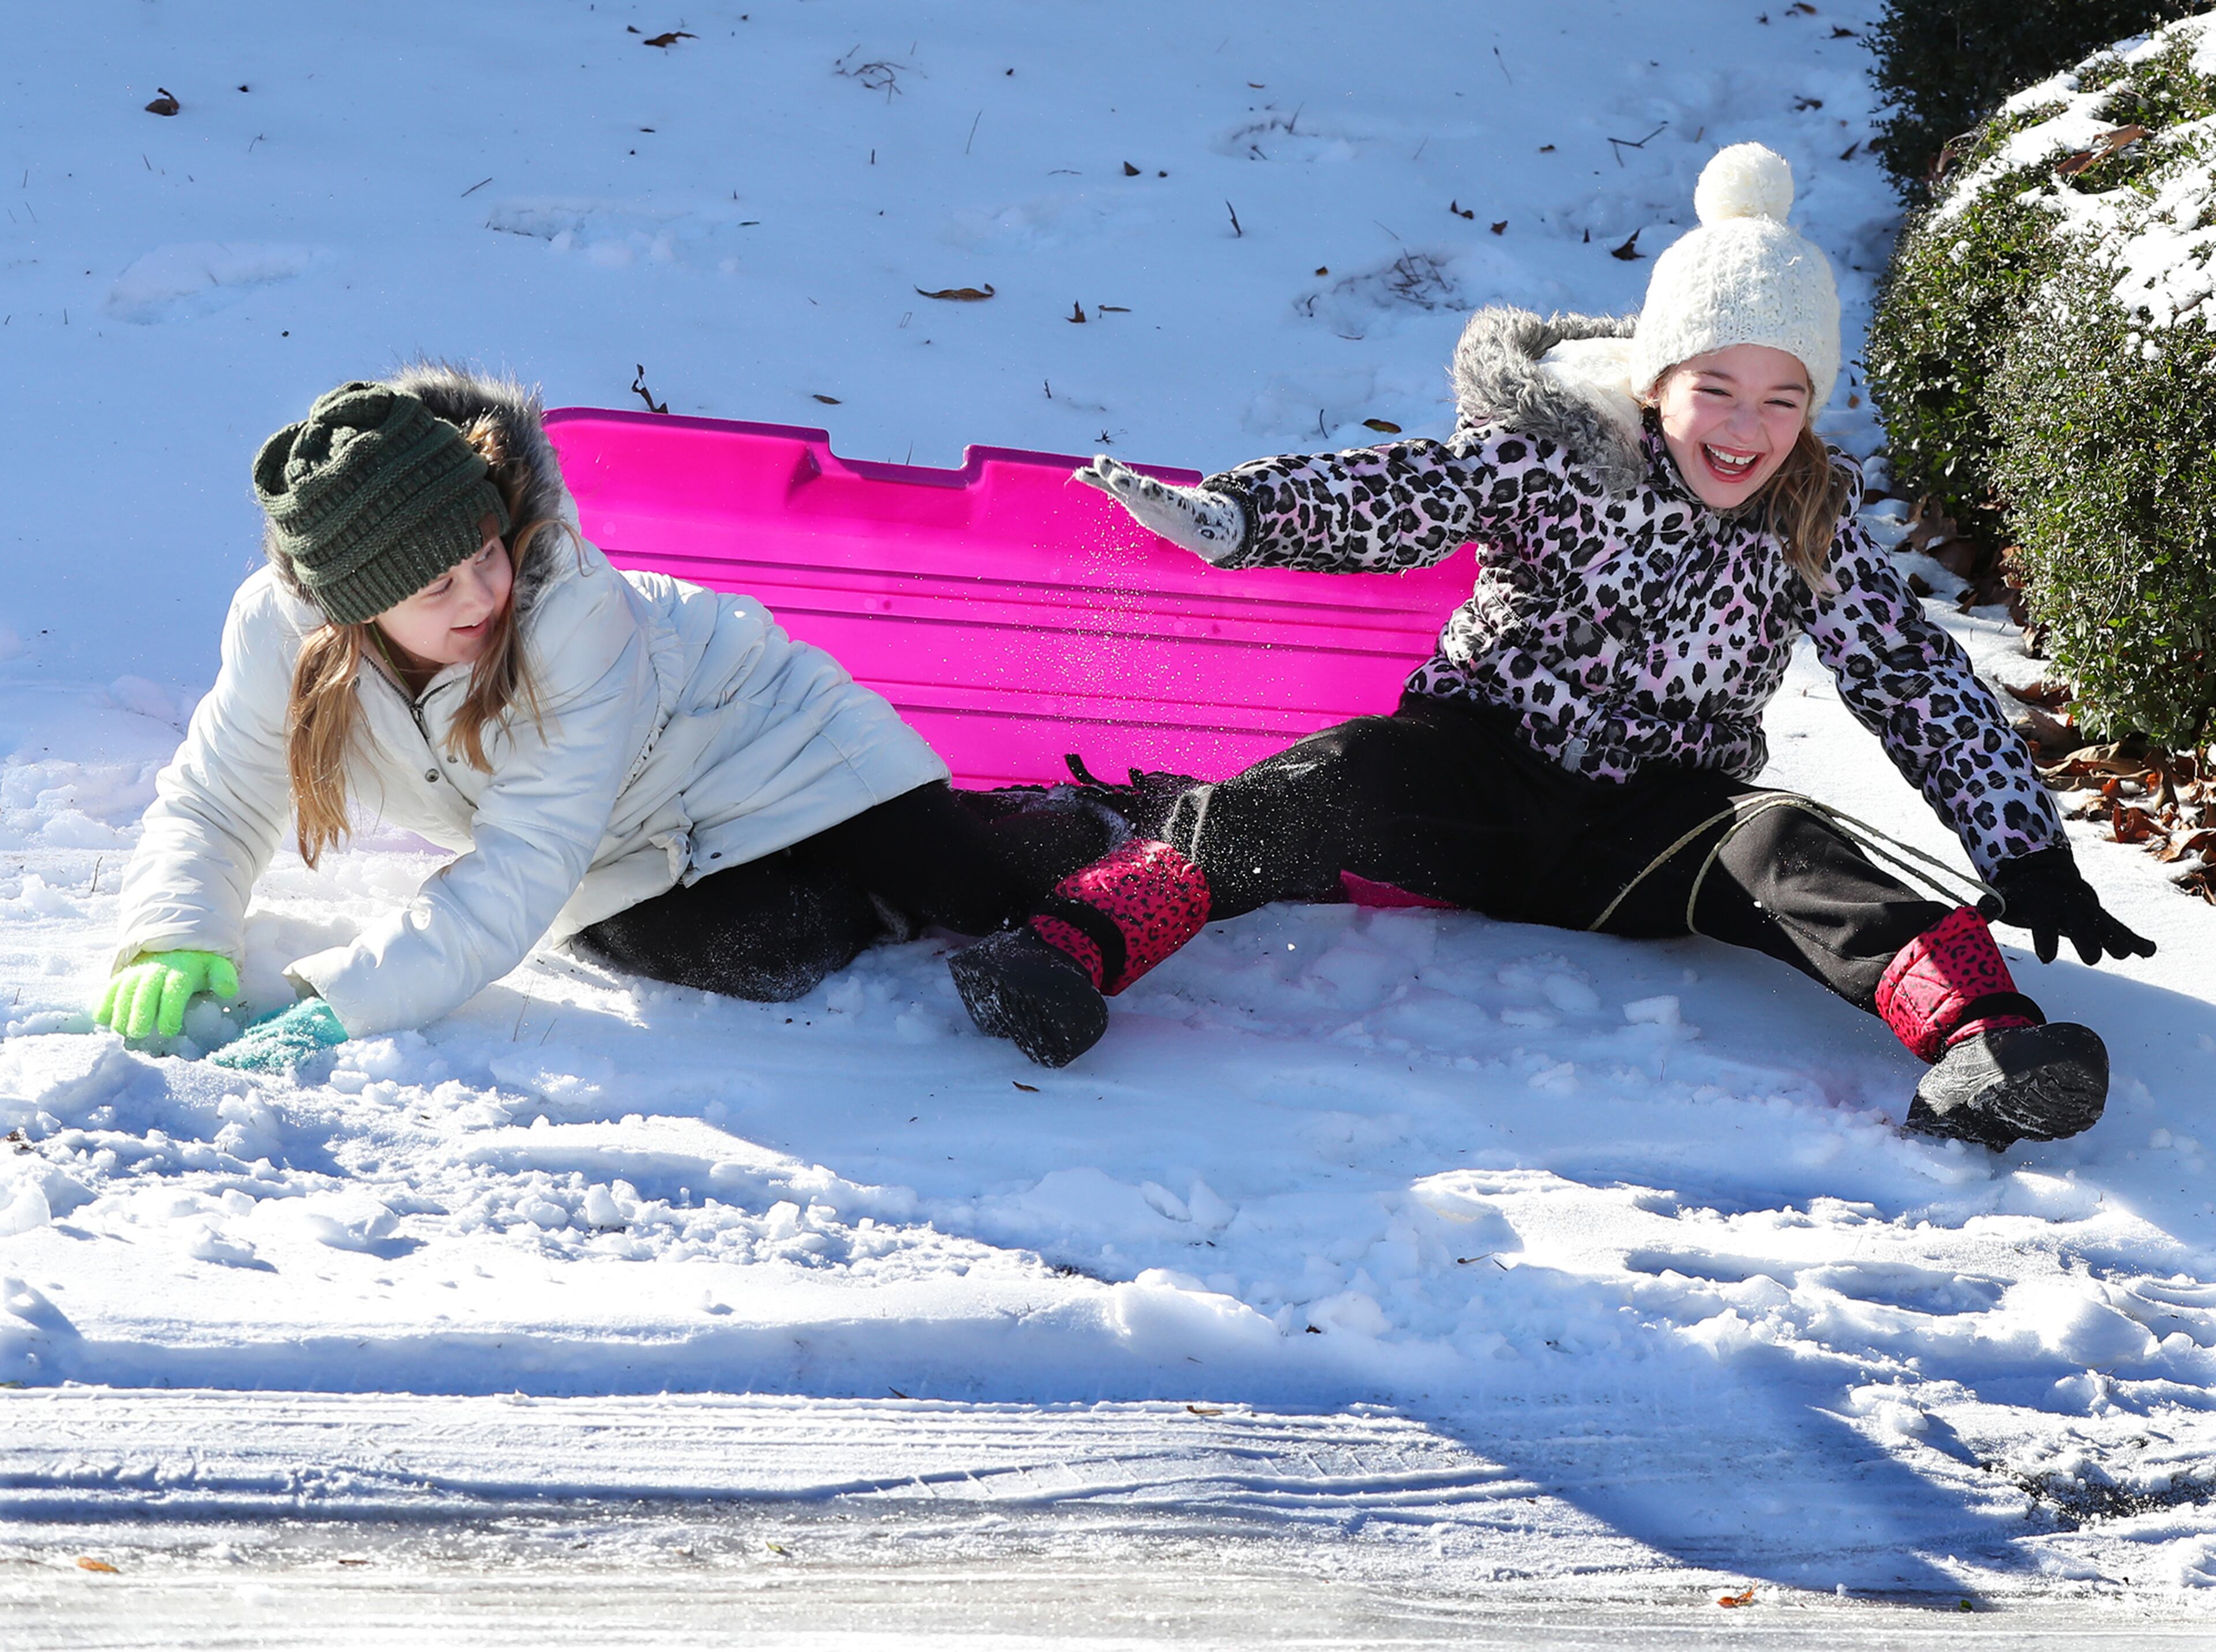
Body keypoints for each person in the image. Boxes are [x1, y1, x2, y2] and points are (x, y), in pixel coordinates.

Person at [946, 144, 2154, 1151]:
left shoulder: (1809, 528)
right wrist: (1242, 516)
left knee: (1790, 843)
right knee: (1336, 774)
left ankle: (1987, 1042)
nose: (1747, 429)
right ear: (1659, 377)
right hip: (1475, 774)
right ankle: (1074, 943)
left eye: (1784, 399)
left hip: (1653, 831)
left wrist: (2028, 849)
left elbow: (1914, 681)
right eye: (1717, 389)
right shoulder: (1562, 458)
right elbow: (1404, 495)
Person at [96, 367, 1027, 1068]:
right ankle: (848, 892)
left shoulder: (571, 609)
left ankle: (1064, 831)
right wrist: (175, 930)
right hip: (613, 833)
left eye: (486, 552)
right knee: (771, 953)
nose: (483, 594)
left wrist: (354, 998)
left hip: (759, 738)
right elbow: (219, 798)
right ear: (355, 609)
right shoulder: (281, 631)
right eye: (436, 585)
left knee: (970, 888)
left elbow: (526, 852)